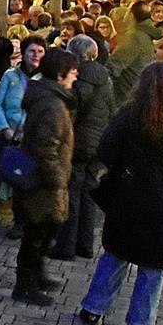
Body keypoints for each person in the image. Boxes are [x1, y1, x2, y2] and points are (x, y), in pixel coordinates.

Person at [77, 62, 163, 325]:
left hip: (127, 194)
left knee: (116, 254)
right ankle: (140, 323)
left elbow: (106, 150)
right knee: (153, 266)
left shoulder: (129, 114)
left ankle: (93, 308)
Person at [12, 48, 78, 306]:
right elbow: (46, 148)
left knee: (41, 231)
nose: (76, 75)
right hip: (44, 182)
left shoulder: (51, 99)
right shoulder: (53, 105)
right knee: (36, 232)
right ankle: (25, 284)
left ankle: (36, 276)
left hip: (45, 180)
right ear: (60, 74)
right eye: (72, 71)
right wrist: (58, 179)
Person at [50, 36, 115, 260]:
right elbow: (110, 109)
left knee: (72, 193)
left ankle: (65, 246)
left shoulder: (78, 79)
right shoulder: (106, 78)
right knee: (88, 193)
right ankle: (85, 245)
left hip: (78, 143)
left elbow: (72, 114)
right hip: (98, 142)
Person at [0, 36, 47, 231]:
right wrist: (4, 128)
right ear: (23, 52)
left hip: (30, 135)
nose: (36, 55)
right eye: (32, 51)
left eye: (40, 52)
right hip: (7, 130)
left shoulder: (45, 79)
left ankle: (20, 221)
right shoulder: (10, 75)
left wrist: (27, 132)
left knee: (25, 178)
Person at [108, 1, 160, 103]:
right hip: (139, 91)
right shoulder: (145, 35)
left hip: (127, 95)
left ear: (131, 15)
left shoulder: (133, 37)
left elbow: (115, 65)